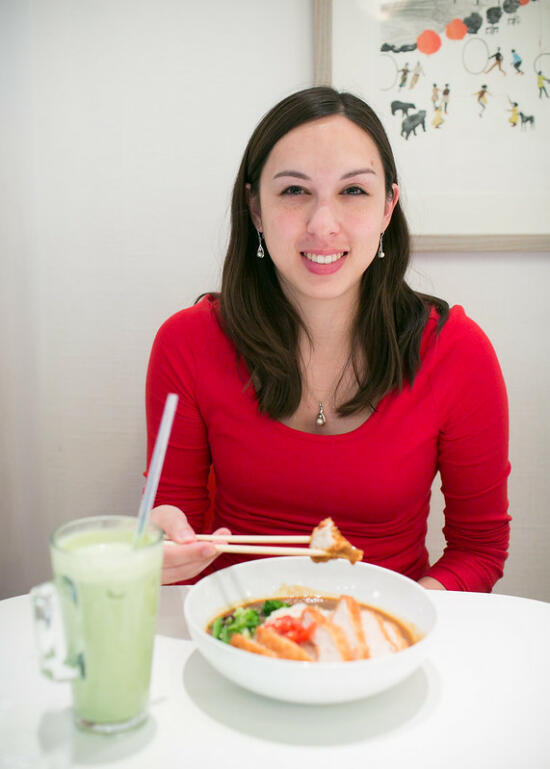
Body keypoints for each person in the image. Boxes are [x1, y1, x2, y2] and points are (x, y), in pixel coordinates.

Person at [146, 87, 511, 591]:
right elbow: (172, 529)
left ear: (388, 208)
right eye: (294, 191)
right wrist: (161, 551)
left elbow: (479, 548)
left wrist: (404, 618)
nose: (323, 225)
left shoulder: (457, 352)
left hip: (386, 633)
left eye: (353, 192)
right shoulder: (187, 343)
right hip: (233, 625)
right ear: (255, 207)